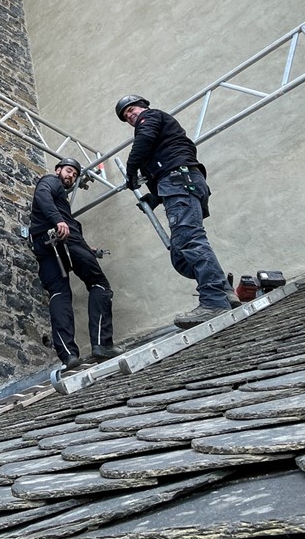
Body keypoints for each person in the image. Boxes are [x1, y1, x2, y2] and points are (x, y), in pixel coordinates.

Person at [115, 95, 239, 329]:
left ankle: (213, 301)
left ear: (143, 106)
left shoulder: (151, 117)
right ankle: (224, 292)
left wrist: (131, 173)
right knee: (185, 245)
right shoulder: (165, 138)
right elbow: (167, 162)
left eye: (131, 110)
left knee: (189, 241)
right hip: (181, 182)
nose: (130, 117)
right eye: (126, 117)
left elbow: (144, 143)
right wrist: (154, 197)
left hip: (180, 181)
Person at [28, 158, 120, 368]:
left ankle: (68, 355)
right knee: (100, 285)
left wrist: (89, 249)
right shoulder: (50, 181)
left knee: (59, 293)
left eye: (75, 175)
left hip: (45, 244)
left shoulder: (58, 196)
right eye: (69, 171)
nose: (71, 176)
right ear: (58, 170)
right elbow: (43, 195)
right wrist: (58, 220)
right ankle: (102, 344)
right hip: (64, 238)